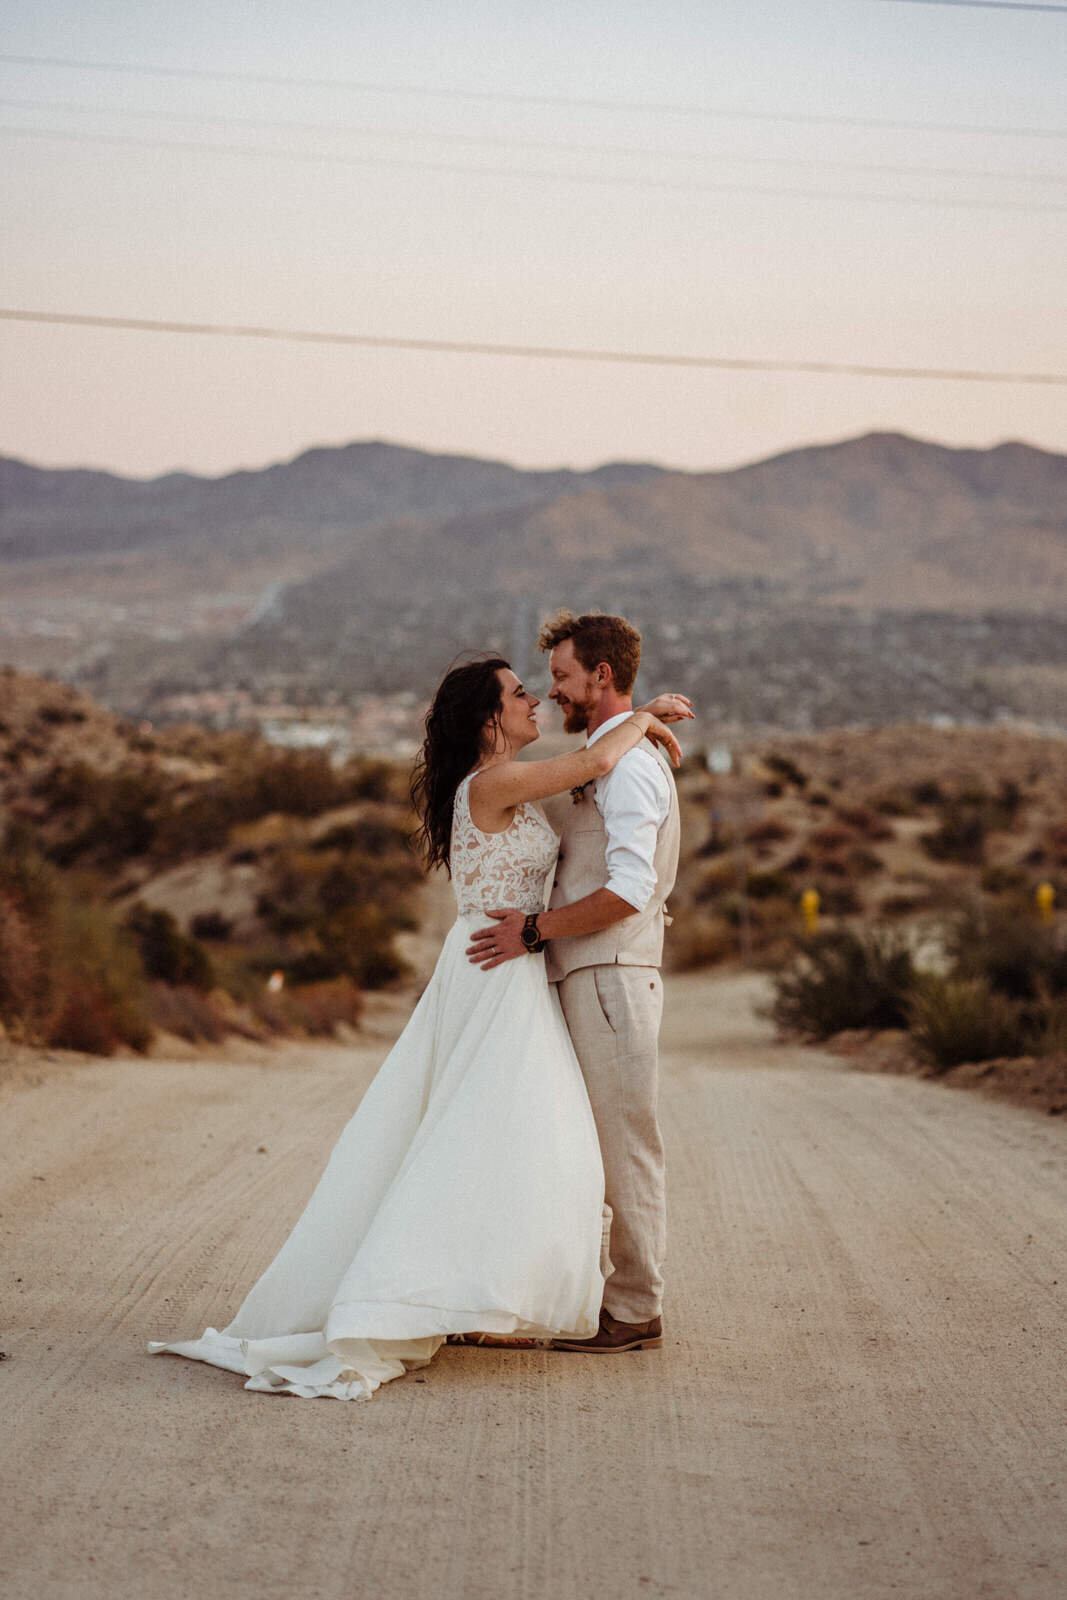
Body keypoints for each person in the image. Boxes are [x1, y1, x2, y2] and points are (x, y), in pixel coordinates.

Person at [148, 654, 684, 1400]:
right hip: (495, 970)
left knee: (505, 1136)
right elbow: (595, 757)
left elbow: (591, 773)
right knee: (494, 1134)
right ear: (489, 718)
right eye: (519, 693)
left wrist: (636, 717)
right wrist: (645, 718)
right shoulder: (494, 782)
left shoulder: (514, 787)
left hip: (511, 970)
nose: (534, 699)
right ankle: (428, 1289)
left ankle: (474, 1289)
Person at [466, 612, 686, 1354]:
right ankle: (597, 1298)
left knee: (624, 1146)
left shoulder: (627, 763)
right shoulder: (607, 752)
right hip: (583, 976)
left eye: (561, 677)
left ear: (601, 675)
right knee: (586, 1149)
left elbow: (630, 887)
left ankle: (632, 1309)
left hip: (609, 979)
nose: (552, 692)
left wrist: (534, 931)